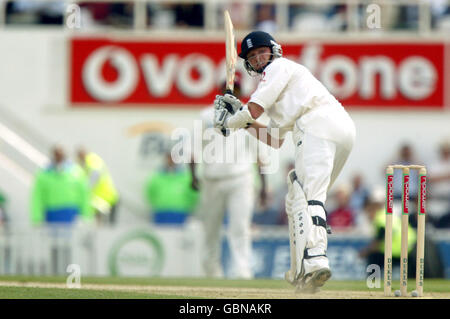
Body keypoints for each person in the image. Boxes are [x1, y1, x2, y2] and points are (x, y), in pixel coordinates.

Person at [213, 31, 356, 292]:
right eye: (252, 57)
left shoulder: (279, 67)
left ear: (274, 49)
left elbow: (253, 110)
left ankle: (315, 258)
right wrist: (238, 121)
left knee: (309, 195)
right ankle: (299, 270)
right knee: (297, 197)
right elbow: (274, 138)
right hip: (340, 129)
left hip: (317, 125)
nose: (258, 59)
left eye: (261, 52)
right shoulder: (280, 86)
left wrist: (228, 123)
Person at [191, 79, 268, 279]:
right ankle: (210, 272)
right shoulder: (206, 116)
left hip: (240, 179)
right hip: (212, 179)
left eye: (235, 92)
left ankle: (242, 271)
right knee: (211, 229)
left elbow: (259, 154)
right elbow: (193, 148)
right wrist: (193, 175)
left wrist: (264, 186)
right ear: (218, 93)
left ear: (242, 93)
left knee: (240, 228)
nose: (231, 97)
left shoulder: (248, 117)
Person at [146, 151, 198, 225]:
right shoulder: (157, 177)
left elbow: (194, 195)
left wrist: (186, 205)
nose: (171, 160)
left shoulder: (186, 178)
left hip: (181, 213)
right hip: (161, 213)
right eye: (169, 158)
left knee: (180, 235)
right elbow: (150, 193)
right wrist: (158, 203)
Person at [77, 147, 119, 226]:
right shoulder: (87, 163)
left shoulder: (92, 160)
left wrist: (85, 189)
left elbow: (95, 174)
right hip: (100, 200)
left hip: (107, 198)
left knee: (105, 229)